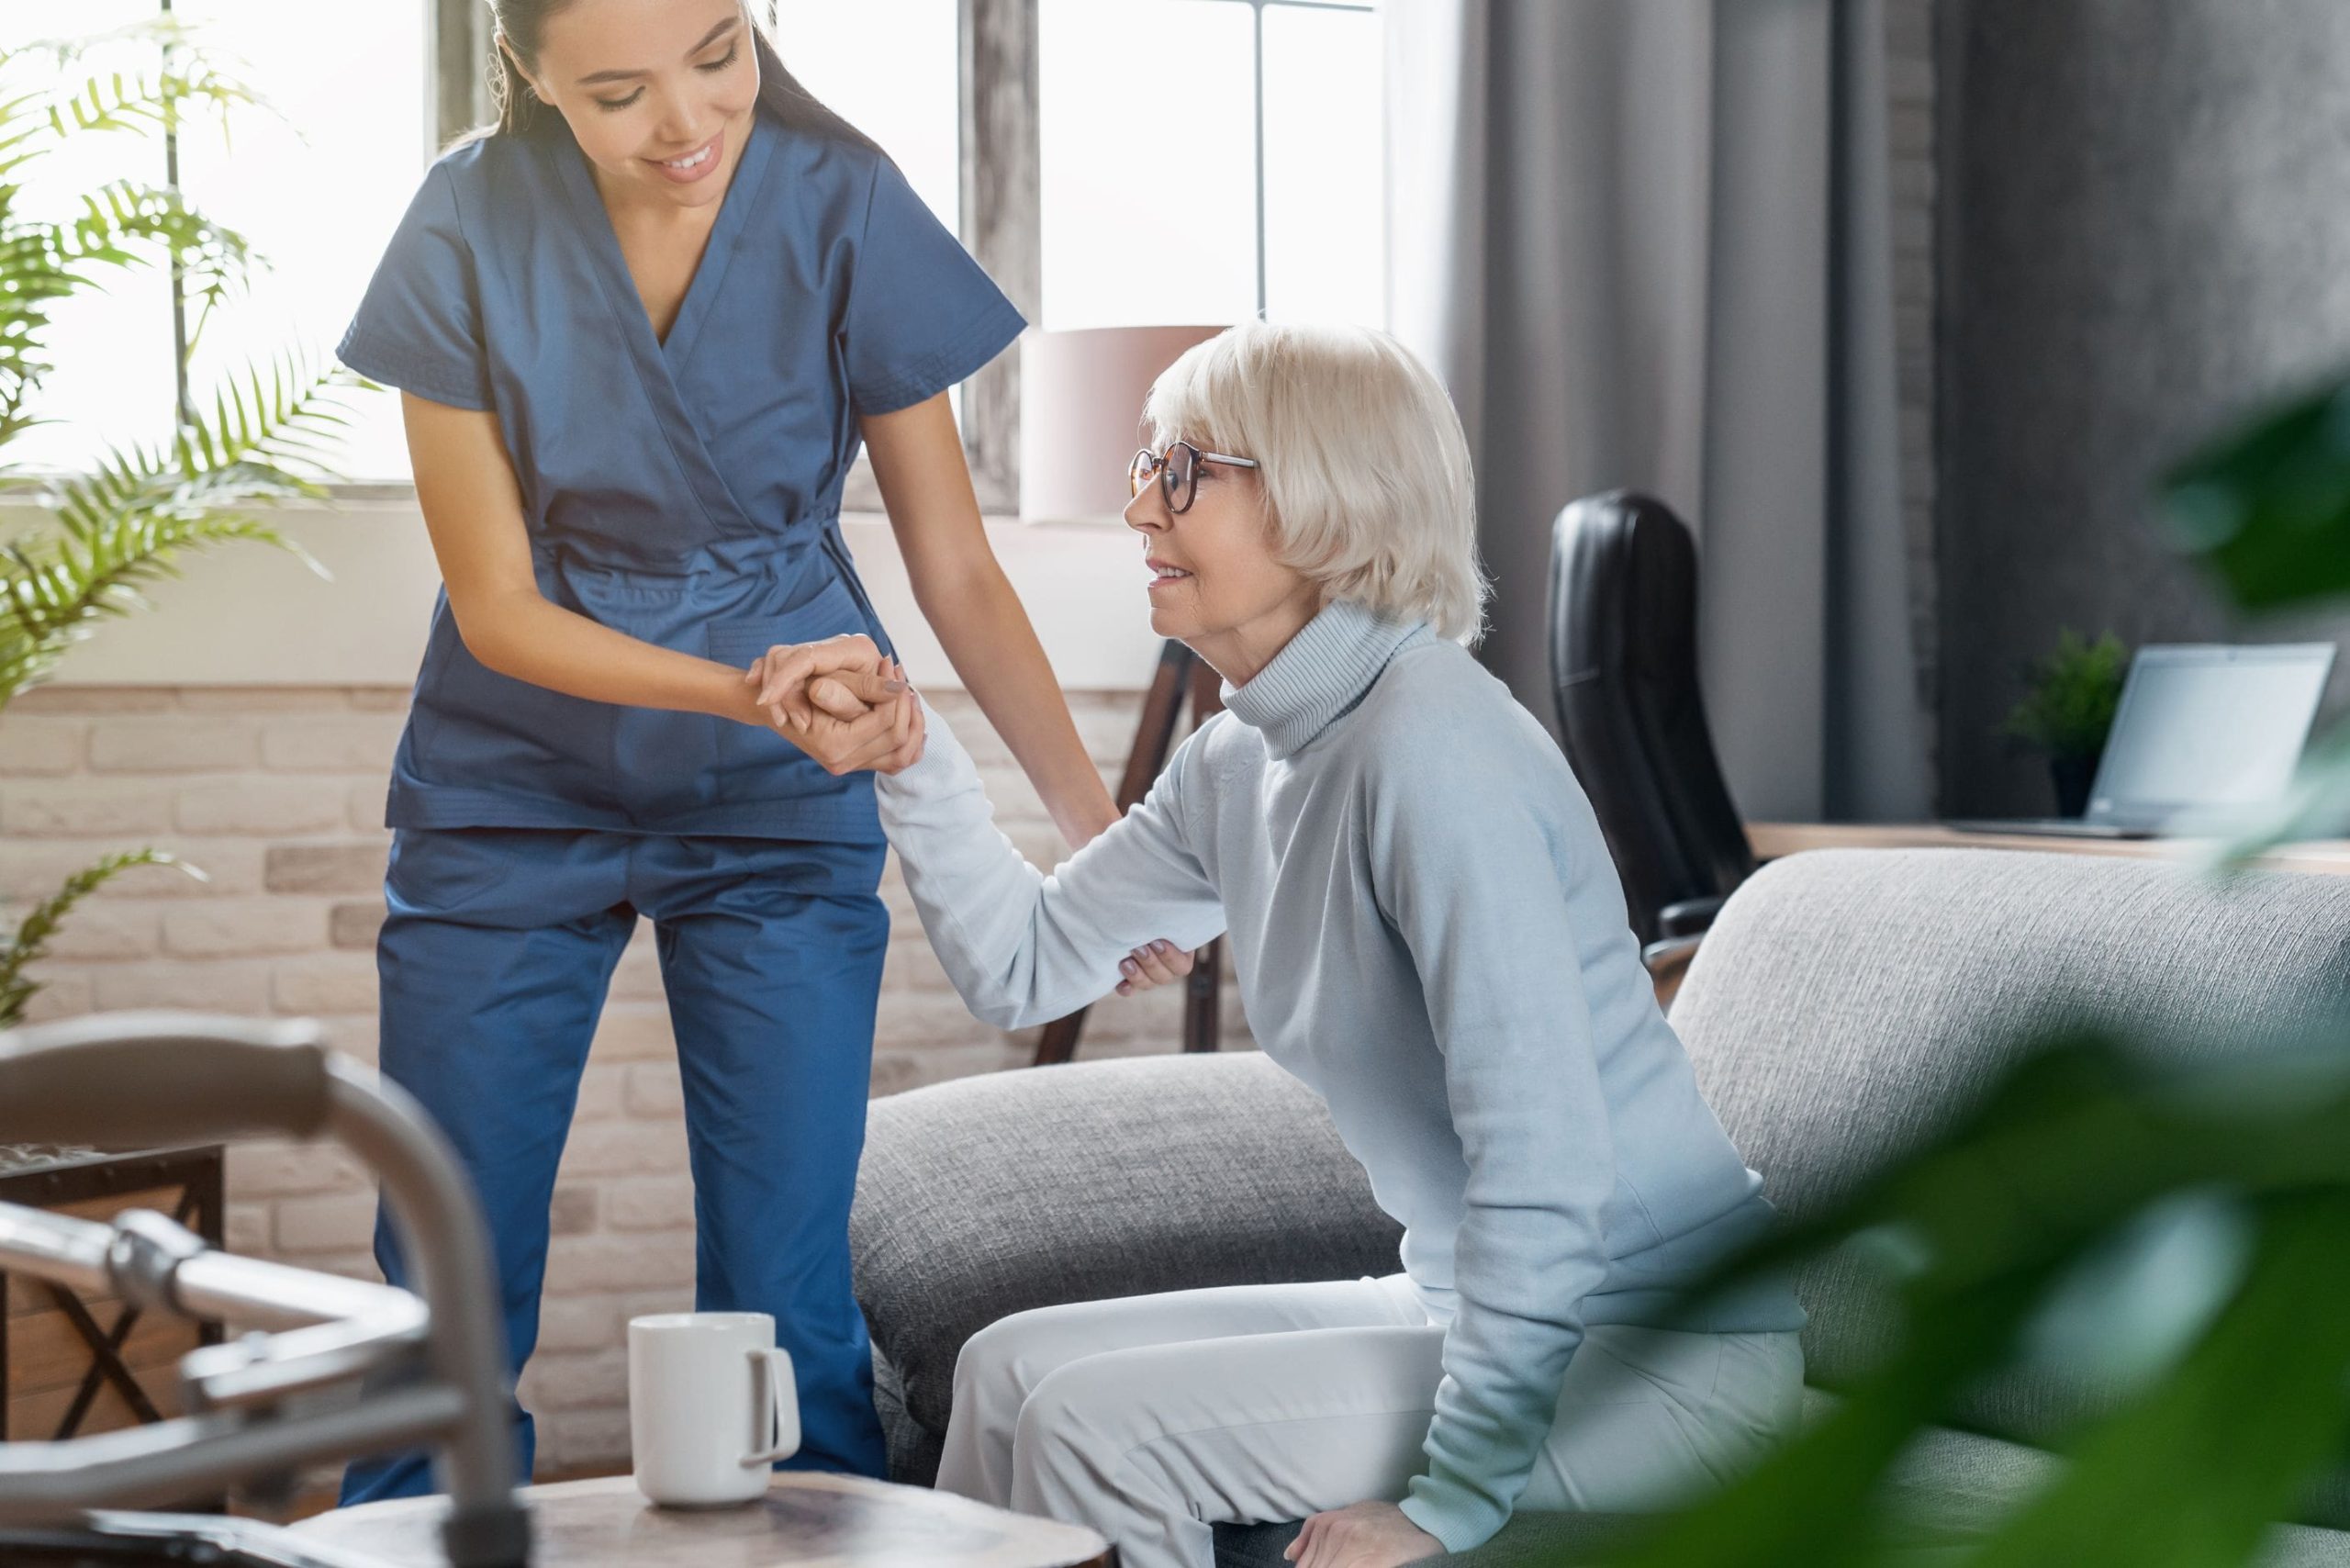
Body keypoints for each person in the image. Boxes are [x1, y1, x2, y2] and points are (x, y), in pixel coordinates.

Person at [758, 323, 1807, 1568]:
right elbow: (1026, 963)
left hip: (1663, 1355)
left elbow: (1547, 1164)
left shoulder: (1433, 754)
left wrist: (1450, 1502)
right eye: (1149, 464)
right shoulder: (1244, 759)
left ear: (1324, 499)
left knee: (1102, 1431)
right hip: (1465, 1297)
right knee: (1001, 1369)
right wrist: (913, 757)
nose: (1139, 502)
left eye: (1185, 469)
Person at [332, 0, 1184, 1502]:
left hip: (783, 802)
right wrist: (749, 692)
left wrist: (1097, 847)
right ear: (524, 68)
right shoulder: (465, 220)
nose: (686, 122)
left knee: (790, 1311)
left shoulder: (839, 199)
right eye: (617, 89)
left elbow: (960, 573)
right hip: (512, 787)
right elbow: (498, 605)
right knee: (441, 1303)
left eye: (720, 51)